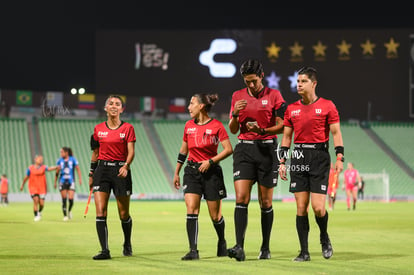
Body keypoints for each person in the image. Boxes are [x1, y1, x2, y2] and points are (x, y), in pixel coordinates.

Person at [279, 66, 344, 262]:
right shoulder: (291, 109)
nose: (299, 84)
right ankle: (304, 251)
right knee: (301, 207)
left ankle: (324, 236)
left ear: (313, 83)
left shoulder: (328, 106)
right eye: (298, 81)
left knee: (318, 207)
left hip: (319, 156)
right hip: (298, 156)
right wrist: (282, 161)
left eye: (303, 81)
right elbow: (286, 138)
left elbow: (336, 133)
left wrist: (339, 157)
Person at [227, 59, 287, 261]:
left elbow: (283, 125)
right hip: (244, 149)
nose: (250, 85)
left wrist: (262, 130)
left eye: (253, 81)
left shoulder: (274, 96)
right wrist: (235, 114)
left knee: (266, 201)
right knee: (241, 198)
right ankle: (239, 247)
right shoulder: (237, 96)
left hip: (267, 149)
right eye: (247, 82)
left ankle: (265, 247)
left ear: (262, 76)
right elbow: (233, 129)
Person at [173, 93, 233, 261]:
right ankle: (193, 250)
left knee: (215, 216)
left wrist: (210, 161)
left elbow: (228, 149)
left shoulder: (217, 126)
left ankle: (222, 242)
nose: (188, 107)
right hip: (191, 172)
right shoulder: (188, 126)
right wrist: (177, 172)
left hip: (211, 173)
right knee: (192, 209)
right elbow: (183, 151)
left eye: (191, 103)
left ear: (201, 106)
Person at [89, 95, 136, 260]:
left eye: (117, 104)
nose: (114, 106)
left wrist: (126, 166)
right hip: (102, 171)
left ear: (122, 109)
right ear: (105, 108)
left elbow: (131, 151)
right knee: (100, 212)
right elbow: (95, 153)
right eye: (111, 103)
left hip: (121, 170)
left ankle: (127, 243)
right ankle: (104, 250)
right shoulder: (98, 129)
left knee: (123, 213)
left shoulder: (128, 128)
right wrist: (91, 173)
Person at [20, 155, 58, 221]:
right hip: (33, 187)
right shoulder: (30, 168)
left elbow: (49, 168)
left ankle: (39, 211)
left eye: (41, 159)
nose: (41, 160)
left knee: (42, 204)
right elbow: (26, 177)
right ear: (35, 160)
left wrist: (56, 167)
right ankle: (36, 215)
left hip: (42, 188)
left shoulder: (43, 167)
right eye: (39, 159)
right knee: (36, 200)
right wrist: (22, 185)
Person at [54, 146, 82, 221]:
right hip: (62, 182)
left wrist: (80, 179)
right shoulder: (59, 161)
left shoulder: (73, 159)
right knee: (64, 199)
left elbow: (78, 169)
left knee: (71, 200)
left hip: (71, 181)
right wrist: (55, 182)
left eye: (62, 152)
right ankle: (65, 215)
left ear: (66, 153)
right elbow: (57, 172)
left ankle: (69, 211)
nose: (61, 153)